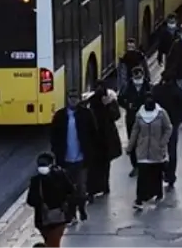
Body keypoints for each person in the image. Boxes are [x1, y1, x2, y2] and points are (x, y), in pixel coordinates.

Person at [48, 92, 98, 222]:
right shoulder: (60, 116)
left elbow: (94, 133)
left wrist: (91, 152)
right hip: (65, 160)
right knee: (68, 190)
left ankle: (81, 209)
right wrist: (56, 152)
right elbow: (53, 136)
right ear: (67, 99)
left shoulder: (86, 114)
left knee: (81, 188)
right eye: (71, 98)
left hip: (81, 159)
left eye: (76, 98)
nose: (73, 101)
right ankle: (71, 214)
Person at [126, 92, 173, 209]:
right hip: (142, 151)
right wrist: (130, 147)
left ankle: (157, 192)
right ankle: (139, 199)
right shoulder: (140, 114)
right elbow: (135, 131)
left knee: (156, 174)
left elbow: (168, 128)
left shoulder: (161, 113)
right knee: (142, 176)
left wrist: (162, 143)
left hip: (156, 150)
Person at [27, 152, 75, 248]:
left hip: (43, 219)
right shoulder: (61, 175)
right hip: (59, 217)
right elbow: (71, 191)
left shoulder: (36, 180)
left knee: (51, 243)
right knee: (52, 243)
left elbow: (30, 201)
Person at [85, 82, 122, 197]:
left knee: (104, 165)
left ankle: (104, 186)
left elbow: (116, 116)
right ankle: (93, 189)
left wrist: (108, 105)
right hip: (96, 139)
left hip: (106, 139)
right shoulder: (91, 102)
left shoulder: (110, 101)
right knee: (95, 166)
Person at [151, 71, 182, 188]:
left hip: (158, 125)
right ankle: (171, 175)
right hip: (172, 125)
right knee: (172, 151)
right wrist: (179, 120)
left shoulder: (156, 90)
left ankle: (161, 173)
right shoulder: (178, 91)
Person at [118, 66, 152, 176]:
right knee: (132, 142)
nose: (138, 79)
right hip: (132, 118)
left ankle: (145, 165)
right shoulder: (127, 86)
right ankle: (135, 166)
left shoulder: (149, 87)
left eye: (139, 76)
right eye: (135, 76)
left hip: (146, 118)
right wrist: (127, 105)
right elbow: (120, 99)